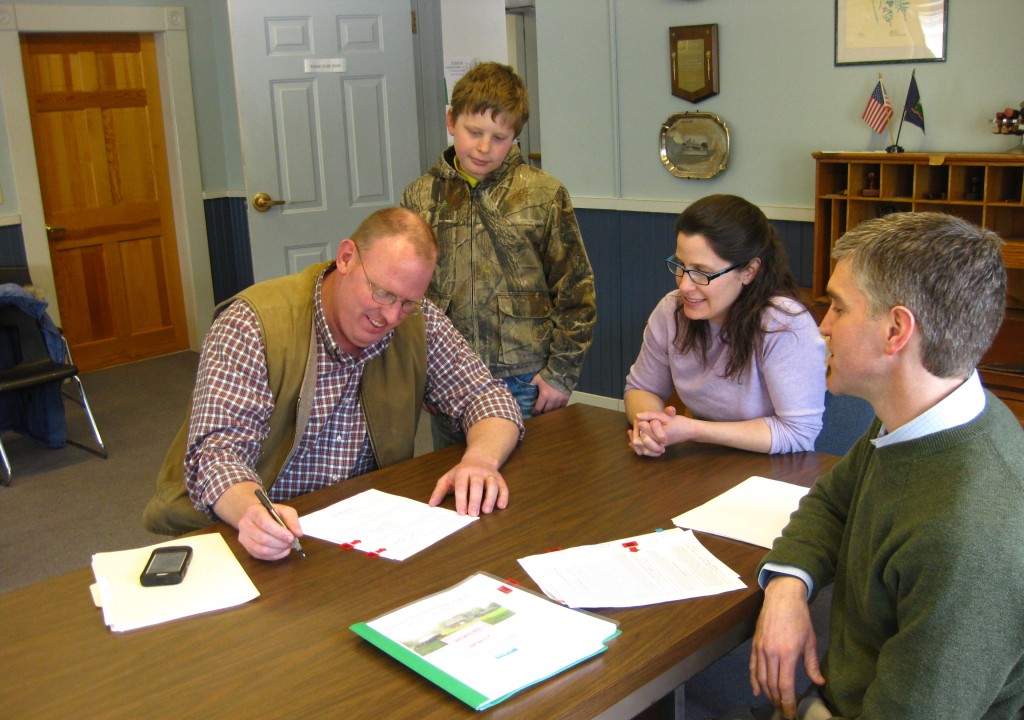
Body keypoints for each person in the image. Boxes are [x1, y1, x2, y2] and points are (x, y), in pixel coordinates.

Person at [604, 211, 1024, 720]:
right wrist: (787, 586)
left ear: (897, 331)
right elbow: (830, 501)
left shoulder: (971, 535)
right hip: (844, 711)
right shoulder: (923, 415)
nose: (822, 325)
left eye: (840, 307)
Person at [142, 208, 524, 560]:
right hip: (251, 527)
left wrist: (479, 460)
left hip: (360, 528)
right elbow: (217, 453)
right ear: (345, 258)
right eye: (383, 292)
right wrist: (252, 513)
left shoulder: (418, 321)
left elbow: (485, 396)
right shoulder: (252, 323)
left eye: (407, 302)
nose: (391, 315)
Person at [401, 61, 596, 447]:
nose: (485, 147)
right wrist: (419, 376)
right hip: (448, 378)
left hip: (523, 378)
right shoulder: (420, 197)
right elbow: (408, 297)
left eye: (500, 137)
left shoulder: (543, 193)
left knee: (524, 490)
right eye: (474, 132)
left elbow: (577, 290)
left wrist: (561, 373)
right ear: (451, 120)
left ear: (515, 137)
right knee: (457, 487)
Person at [625, 194, 825, 456]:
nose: (685, 285)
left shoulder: (784, 324)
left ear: (749, 271)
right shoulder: (671, 310)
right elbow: (642, 388)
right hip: (707, 462)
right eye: (681, 266)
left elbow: (798, 432)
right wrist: (651, 426)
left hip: (776, 469)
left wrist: (694, 430)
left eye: (702, 272)